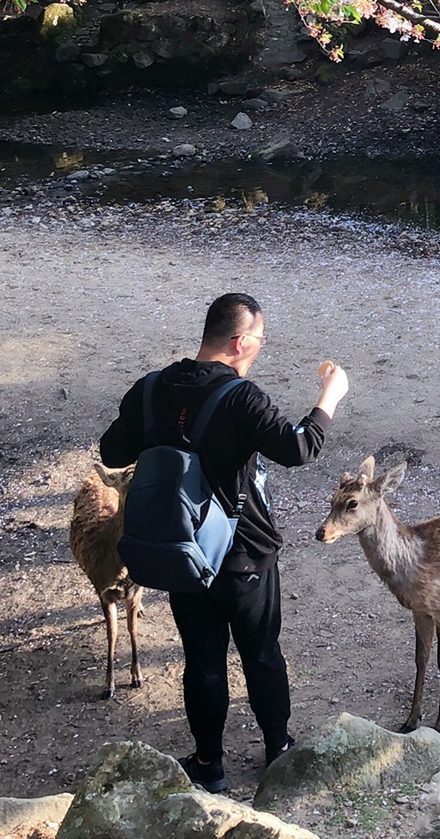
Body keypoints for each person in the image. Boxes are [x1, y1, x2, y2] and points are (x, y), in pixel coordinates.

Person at [100, 293, 350, 793]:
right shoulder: (242, 397)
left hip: (179, 548)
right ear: (239, 342)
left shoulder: (150, 390)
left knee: (203, 658)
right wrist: (331, 395)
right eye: (259, 339)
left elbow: (111, 449)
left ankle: (209, 765)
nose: (259, 348)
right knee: (260, 653)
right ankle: (277, 750)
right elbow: (300, 447)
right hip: (243, 553)